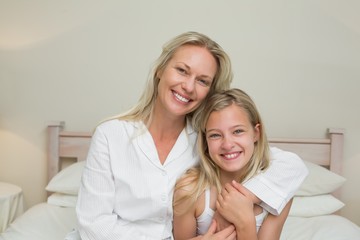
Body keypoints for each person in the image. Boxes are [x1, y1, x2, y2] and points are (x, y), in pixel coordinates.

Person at [75, 31, 308, 240]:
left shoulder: (208, 140)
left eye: (202, 81)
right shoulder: (111, 134)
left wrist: (243, 199)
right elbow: (92, 225)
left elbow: (291, 166)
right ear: (159, 70)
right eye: (181, 71)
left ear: (209, 92)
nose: (188, 86)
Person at [173, 88, 293, 240]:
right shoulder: (189, 191)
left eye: (237, 131)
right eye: (215, 135)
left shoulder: (279, 192)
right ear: (206, 141)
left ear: (256, 133)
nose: (227, 144)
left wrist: (245, 225)